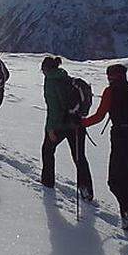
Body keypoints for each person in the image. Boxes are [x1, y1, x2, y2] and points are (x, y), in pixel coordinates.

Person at [82, 64, 128, 231]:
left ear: (110, 76)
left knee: (114, 181)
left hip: (122, 139)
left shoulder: (111, 92)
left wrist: (81, 123)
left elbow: (99, 116)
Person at [40, 56, 93, 200]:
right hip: (77, 123)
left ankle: (47, 182)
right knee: (79, 156)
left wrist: (50, 129)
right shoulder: (66, 77)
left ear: (46, 70)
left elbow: (54, 109)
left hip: (60, 125)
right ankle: (86, 190)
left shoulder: (51, 82)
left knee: (47, 150)